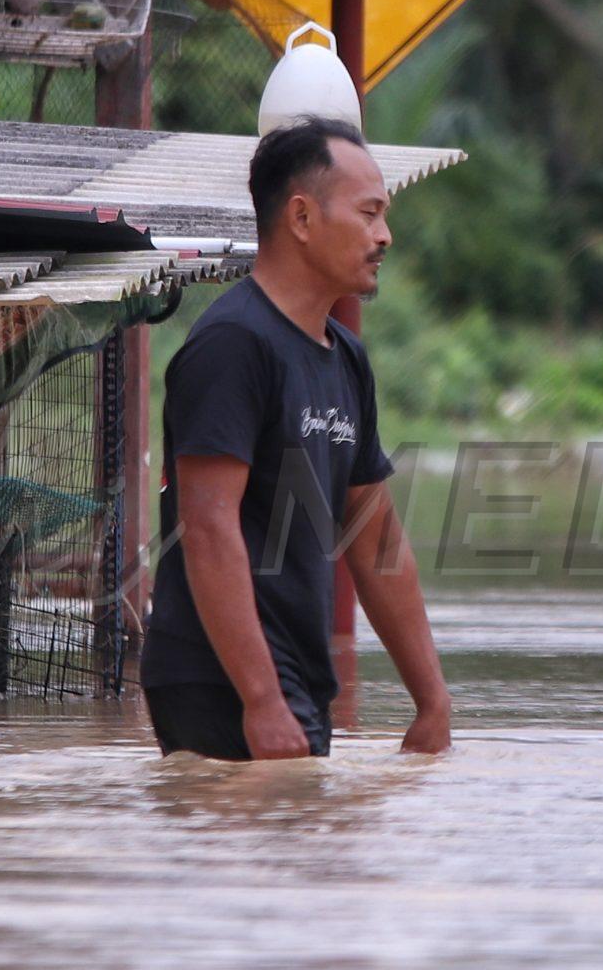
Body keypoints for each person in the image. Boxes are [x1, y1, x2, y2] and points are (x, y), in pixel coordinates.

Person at [139, 116, 451, 761]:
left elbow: (374, 536)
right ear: (302, 219)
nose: (384, 235)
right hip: (220, 678)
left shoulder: (345, 358)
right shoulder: (233, 345)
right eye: (369, 214)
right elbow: (208, 527)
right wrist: (259, 700)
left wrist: (432, 701)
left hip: (297, 681)